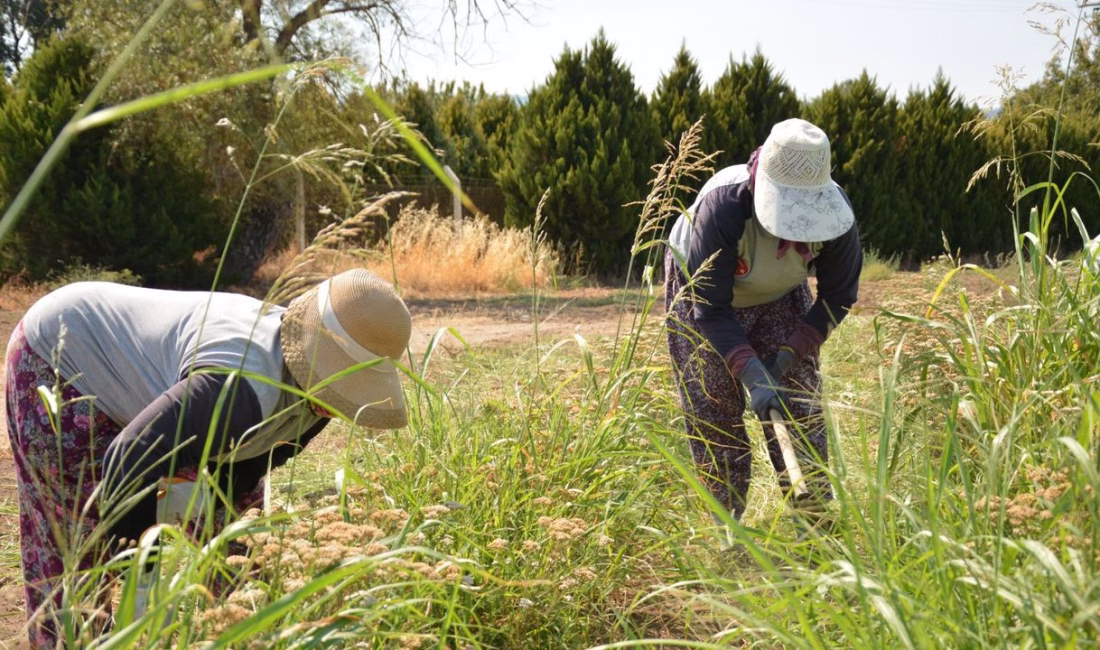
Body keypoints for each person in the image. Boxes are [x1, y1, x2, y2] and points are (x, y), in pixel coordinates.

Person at [3, 268, 412, 647]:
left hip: (164, 411)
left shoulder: (323, 397)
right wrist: (142, 587)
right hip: (62, 359)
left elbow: (248, 469)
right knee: (82, 548)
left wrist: (211, 517)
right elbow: (128, 459)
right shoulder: (237, 389)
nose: (336, 403)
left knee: (237, 551)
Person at [664, 118, 861, 522]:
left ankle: (814, 522)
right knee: (713, 405)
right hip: (702, 294)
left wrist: (785, 358)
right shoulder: (724, 205)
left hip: (780, 294)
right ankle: (727, 529)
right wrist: (752, 374)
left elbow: (838, 296)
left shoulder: (837, 219)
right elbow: (711, 308)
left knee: (799, 403)